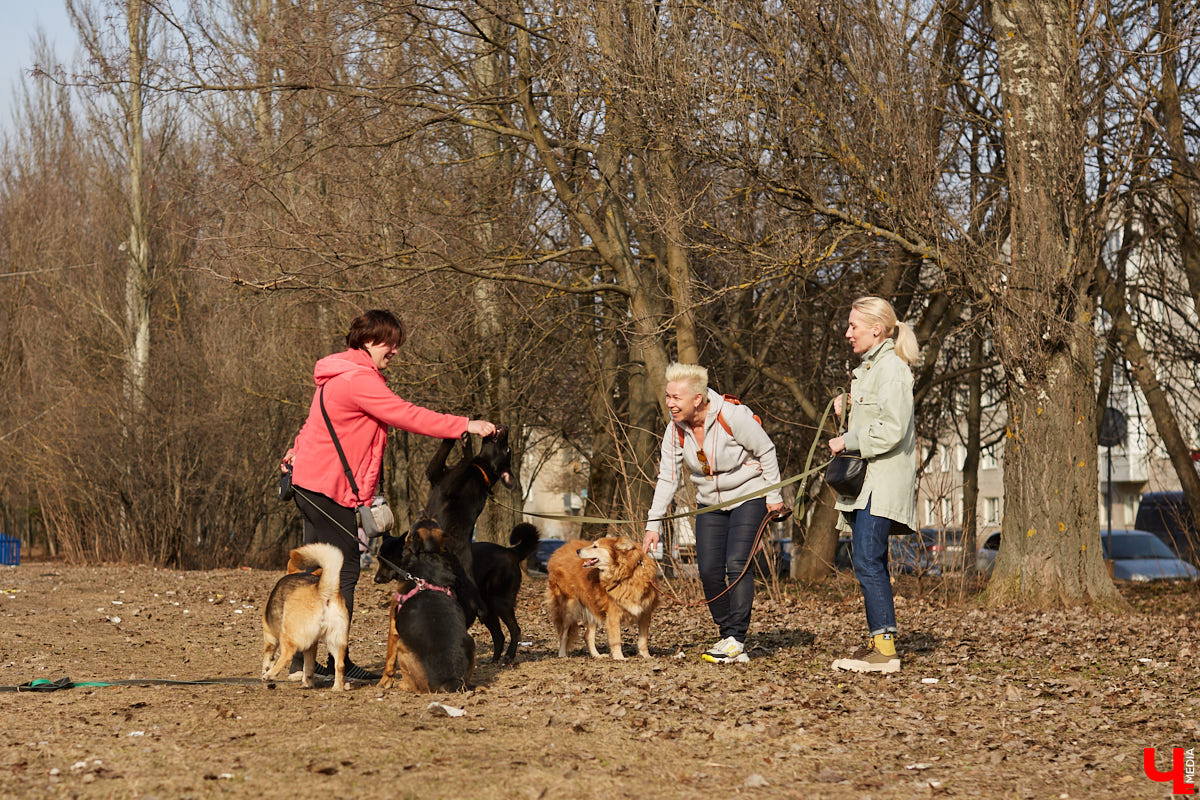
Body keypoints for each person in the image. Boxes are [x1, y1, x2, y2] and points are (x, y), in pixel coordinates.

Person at [281, 309, 497, 680]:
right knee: (342, 571)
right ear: (367, 341)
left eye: (397, 344)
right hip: (327, 488)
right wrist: (464, 424)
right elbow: (406, 414)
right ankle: (336, 663)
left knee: (317, 573)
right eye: (389, 343)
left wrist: (296, 451)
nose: (395, 351)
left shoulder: (337, 376)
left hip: (310, 484)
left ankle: (305, 661)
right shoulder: (359, 381)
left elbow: (312, 423)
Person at [642, 363, 786, 664]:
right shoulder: (675, 429)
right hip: (710, 502)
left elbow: (767, 450)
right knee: (708, 571)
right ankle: (727, 636)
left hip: (749, 493)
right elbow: (668, 477)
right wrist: (653, 523)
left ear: (697, 399)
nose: (669, 403)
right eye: (667, 396)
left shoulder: (731, 416)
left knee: (737, 562)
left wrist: (773, 496)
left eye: (676, 398)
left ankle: (736, 638)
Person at [826, 296, 919, 673]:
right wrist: (847, 406)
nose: (848, 333)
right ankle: (879, 642)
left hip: (880, 484)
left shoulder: (892, 370)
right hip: (868, 484)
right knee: (869, 559)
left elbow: (893, 429)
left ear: (876, 330)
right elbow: (877, 414)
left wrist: (847, 440)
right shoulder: (870, 370)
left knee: (867, 559)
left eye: (854, 326)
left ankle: (885, 651)